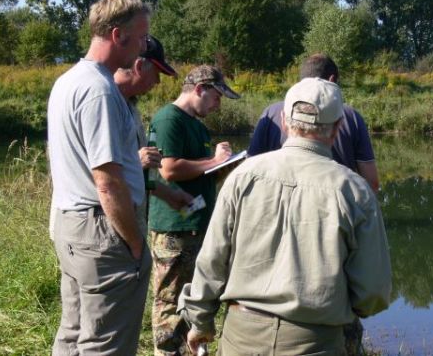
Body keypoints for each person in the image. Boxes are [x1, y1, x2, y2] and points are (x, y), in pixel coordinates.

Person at [179, 77, 392, 355]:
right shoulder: (354, 191)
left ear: (283, 121)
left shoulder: (242, 176)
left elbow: (212, 259)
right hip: (316, 341)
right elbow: (373, 292)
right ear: (338, 127)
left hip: (241, 336)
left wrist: (200, 322)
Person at [47, 0, 152, 354]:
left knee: (73, 333)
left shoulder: (67, 82)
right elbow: (107, 182)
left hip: (70, 223)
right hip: (101, 231)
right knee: (106, 343)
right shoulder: (100, 91)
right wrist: (134, 243)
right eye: (141, 38)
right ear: (117, 35)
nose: (143, 47)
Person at [148, 64, 241, 356]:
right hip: (174, 230)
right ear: (200, 89)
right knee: (169, 301)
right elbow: (169, 169)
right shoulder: (168, 119)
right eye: (216, 96)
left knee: (194, 299)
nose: (218, 104)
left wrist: (229, 166)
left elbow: (201, 174)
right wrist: (214, 161)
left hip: (198, 225)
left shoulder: (198, 127)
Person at [248, 53, 379, 192]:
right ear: (332, 80)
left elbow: (251, 167)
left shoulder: (271, 112)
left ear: (283, 120)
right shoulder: (351, 116)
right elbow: (371, 183)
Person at [113, 36, 194, 233]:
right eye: (157, 73)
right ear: (139, 66)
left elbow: (133, 173)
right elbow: (97, 172)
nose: (158, 82)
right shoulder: (102, 101)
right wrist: (137, 160)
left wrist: (168, 195)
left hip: (128, 224)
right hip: (107, 226)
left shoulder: (130, 105)